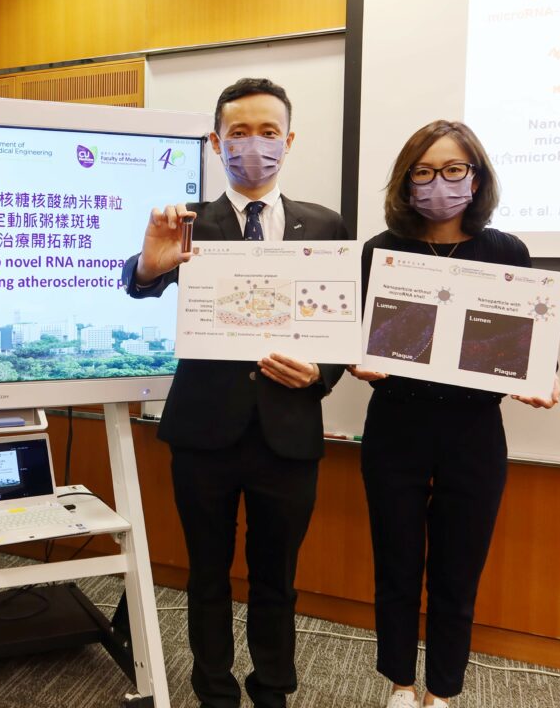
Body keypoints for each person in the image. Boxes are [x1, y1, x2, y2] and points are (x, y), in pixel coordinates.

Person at [122, 77, 347, 708]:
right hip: (203, 436)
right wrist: (148, 265)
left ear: (290, 140)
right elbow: (139, 284)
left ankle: (273, 691)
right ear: (216, 141)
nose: (255, 145)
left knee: (277, 579)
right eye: (240, 133)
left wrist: (322, 373)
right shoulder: (188, 221)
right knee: (207, 576)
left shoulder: (324, 225)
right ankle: (214, 693)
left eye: (268, 132)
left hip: (289, 432)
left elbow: (343, 327)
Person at [348, 120, 559, 708]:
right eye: (423, 171)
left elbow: (532, 338)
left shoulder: (506, 251)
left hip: (473, 433)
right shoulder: (382, 251)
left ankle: (442, 691)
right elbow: (350, 339)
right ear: (406, 179)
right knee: (396, 566)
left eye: (453, 169)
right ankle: (399, 682)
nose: (438, 182)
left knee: (457, 571)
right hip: (396, 426)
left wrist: (539, 376)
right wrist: (353, 363)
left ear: (477, 175)